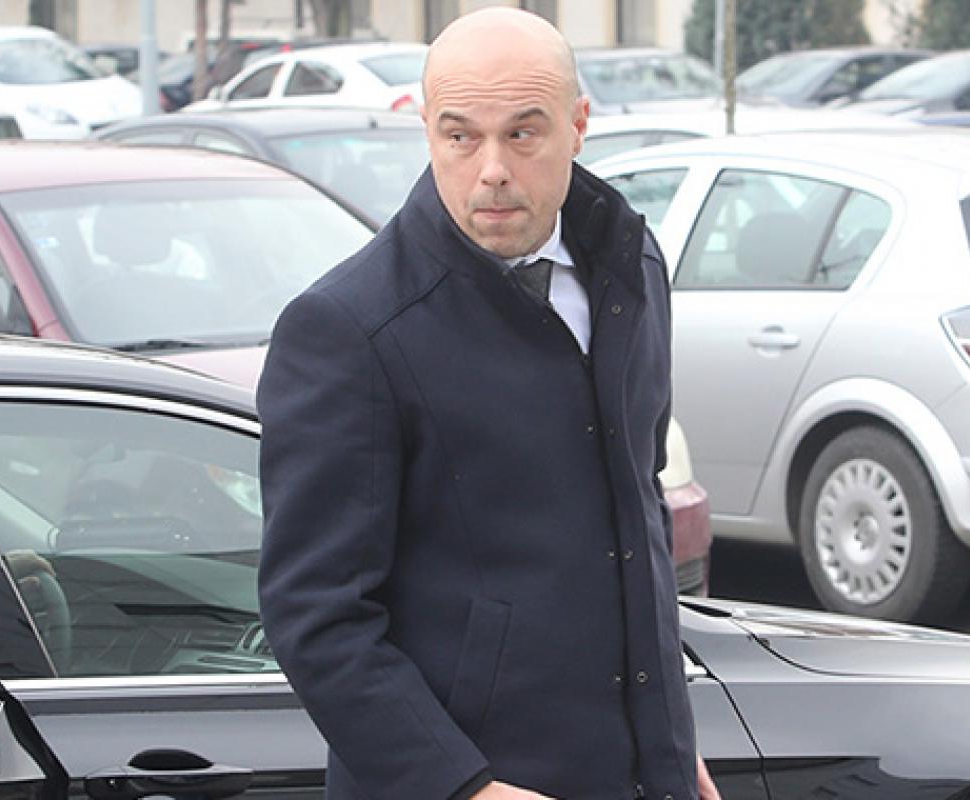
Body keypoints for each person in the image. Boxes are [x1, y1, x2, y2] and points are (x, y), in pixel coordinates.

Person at [257, 8, 722, 800]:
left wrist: (669, 746)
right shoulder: (347, 329)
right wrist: (464, 788)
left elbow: (635, 520)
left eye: (523, 133)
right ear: (428, 133)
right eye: (461, 136)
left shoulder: (632, 264)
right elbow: (316, 616)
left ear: (579, 125)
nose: (493, 169)